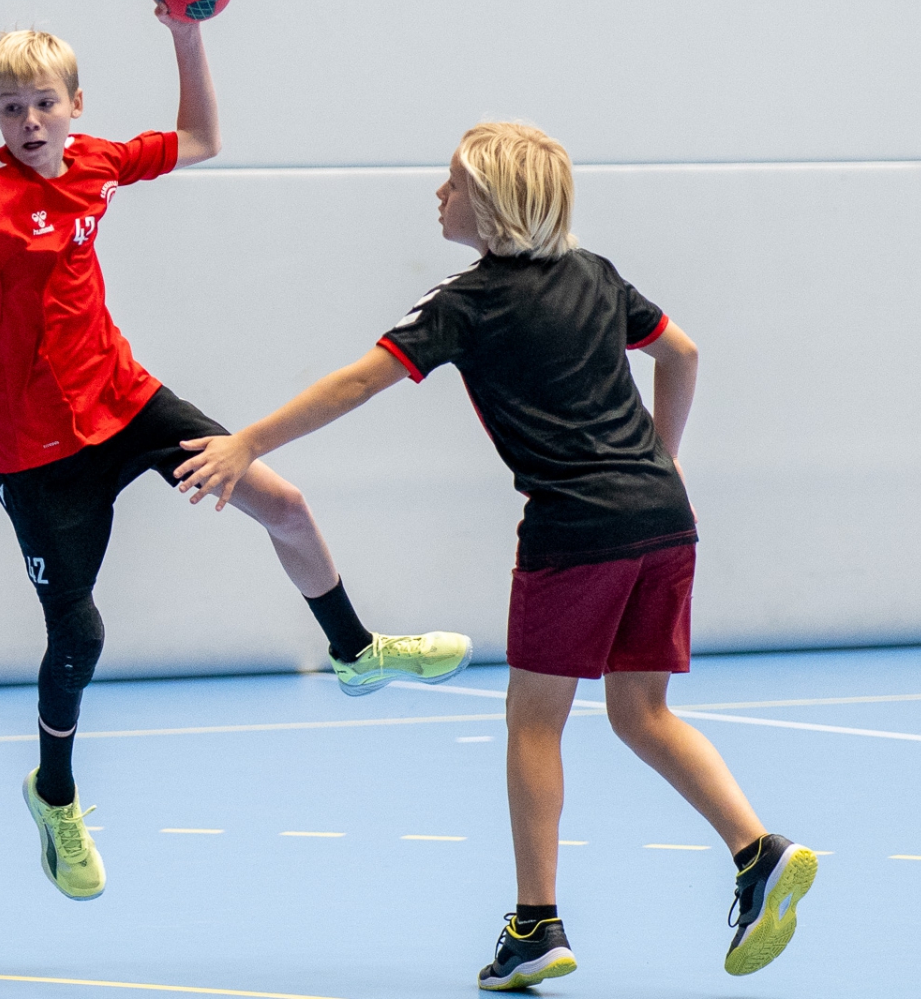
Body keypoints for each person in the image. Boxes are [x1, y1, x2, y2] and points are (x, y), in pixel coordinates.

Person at [173, 122, 817, 983]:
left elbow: (360, 380)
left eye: (452, 183)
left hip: (574, 530)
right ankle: (757, 850)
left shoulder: (467, 302)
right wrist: (662, 461)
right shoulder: (597, 275)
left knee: (532, 721)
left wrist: (247, 441)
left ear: (494, 203)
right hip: (664, 521)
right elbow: (681, 352)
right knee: (641, 713)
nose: (438, 195)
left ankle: (536, 926)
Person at [0, 2, 471, 903]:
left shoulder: (99, 162)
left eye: (41, 103)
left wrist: (186, 36)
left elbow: (199, 138)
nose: (27, 123)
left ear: (74, 104)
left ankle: (353, 651)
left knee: (286, 505)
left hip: (125, 397)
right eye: (8, 108)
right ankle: (55, 795)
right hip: (35, 450)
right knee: (79, 638)